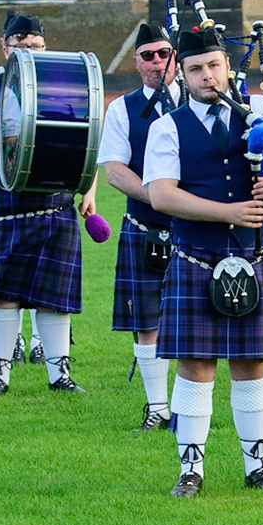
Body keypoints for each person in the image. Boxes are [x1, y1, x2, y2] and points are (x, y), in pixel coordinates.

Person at [141, 27, 263, 497]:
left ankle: (258, 466)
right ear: (182, 75)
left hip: (252, 255)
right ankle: (191, 469)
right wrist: (229, 213)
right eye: (196, 69)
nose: (208, 76)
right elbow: (161, 195)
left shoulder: (260, 116)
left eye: (214, 66)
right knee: (195, 365)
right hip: (196, 259)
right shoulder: (168, 126)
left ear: (227, 66)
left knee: (251, 363)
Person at [0, 13, 98, 396]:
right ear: (4, 46)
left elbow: (84, 141)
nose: (28, 52)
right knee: (3, 294)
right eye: (19, 45)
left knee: (54, 297)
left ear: (44, 46)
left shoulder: (62, 79)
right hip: (4, 203)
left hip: (54, 203)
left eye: (34, 46)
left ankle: (59, 374)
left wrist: (89, 190)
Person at [98, 24, 185, 430]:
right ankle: (157, 408)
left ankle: (189, 406)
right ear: (136, 63)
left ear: (176, 58)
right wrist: (162, 198)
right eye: (147, 55)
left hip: (198, 231)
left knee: (196, 318)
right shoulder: (122, 109)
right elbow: (115, 171)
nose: (156, 62)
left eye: (163, 53)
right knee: (146, 320)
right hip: (145, 226)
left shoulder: (201, 102)